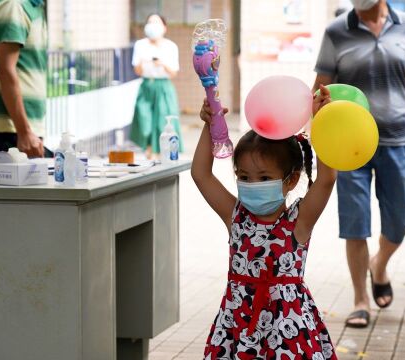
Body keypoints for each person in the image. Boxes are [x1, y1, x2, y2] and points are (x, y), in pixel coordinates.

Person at [313, 0, 405, 328]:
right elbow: (319, 89)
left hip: (397, 138)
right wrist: (316, 131)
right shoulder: (336, 31)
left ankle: (379, 265)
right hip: (349, 145)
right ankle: (360, 300)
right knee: (355, 222)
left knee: (401, 219)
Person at [194, 87, 338, 359]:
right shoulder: (235, 216)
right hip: (238, 328)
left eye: (262, 178)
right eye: (244, 177)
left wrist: (320, 121)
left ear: (291, 180)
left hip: (288, 332)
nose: (251, 185)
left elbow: (327, 179)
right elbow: (201, 174)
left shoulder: (299, 221)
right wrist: (208, 125)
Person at [0, 0, 48, 158]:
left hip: (20, 129)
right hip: (10, 130)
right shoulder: (13, 5)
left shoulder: (32, 6)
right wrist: (24, 132)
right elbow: (6, 72)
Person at [129, 14, 183, 160]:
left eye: (156, 23)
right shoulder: (140, 45)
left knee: (163, 123)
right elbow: (137, 71)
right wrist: (142, 62)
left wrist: (162, 64)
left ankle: (161, 156)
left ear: (164, 27)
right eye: (150, 22)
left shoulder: (170, 46)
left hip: (164, 86)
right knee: (144, 122)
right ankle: (148, 153)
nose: (152, 26)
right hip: (146, 85)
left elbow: (173, 73)